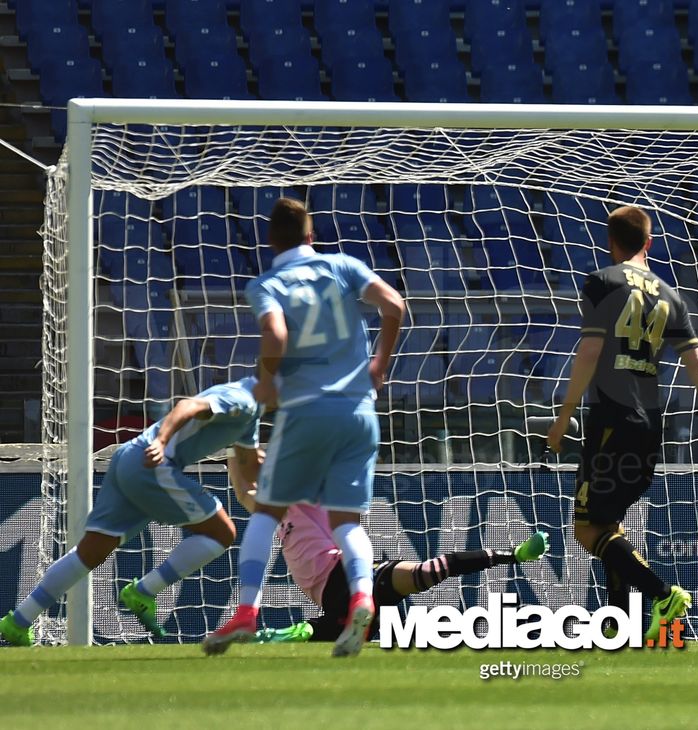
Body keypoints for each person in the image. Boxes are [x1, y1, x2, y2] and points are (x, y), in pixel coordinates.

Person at [203, 198, 405, 658]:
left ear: (272, 241)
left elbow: (275, 336)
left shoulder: (268, 283)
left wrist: (267, 383)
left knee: (268, 511)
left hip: (308, 409)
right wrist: (379, 366)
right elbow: (394, 304)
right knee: (347, 522)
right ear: (312, 236)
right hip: (358, 413)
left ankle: (246, 613)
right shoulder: (344, 266)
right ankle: (361, 597)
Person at [547, 205, 698, 642]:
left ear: (609, 241)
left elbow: (590, 353)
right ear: (649, 243)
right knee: (610, 525)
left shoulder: (602, 281)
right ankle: (618, 629)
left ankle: (661, 594)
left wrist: (563, 419)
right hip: (648, 424)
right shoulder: (671, 295)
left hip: (609, 420)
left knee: (586, 528)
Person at [0, 378, 263, 646]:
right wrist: (161, 442)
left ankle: (18, 621)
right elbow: (188, 405)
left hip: (129, 456)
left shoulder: (251, 417)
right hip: (155, 463)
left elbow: (250, 473)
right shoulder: (242, 399)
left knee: (90, 551)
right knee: (222, 532)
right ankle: (145, 590)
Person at [226, 484, 549, 644]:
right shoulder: (276, 514)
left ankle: (302, 631)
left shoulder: (310, 498)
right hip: (335, 591)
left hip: (345, 575)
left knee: (422, 576)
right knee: (414, 583)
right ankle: (302, 631)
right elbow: (244, 491)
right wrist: (234, 452)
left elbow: (252, 485)